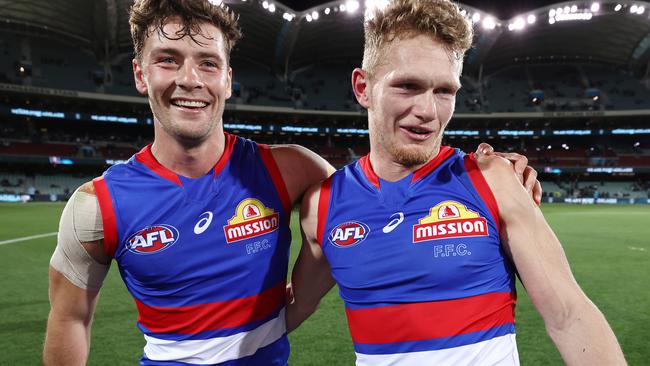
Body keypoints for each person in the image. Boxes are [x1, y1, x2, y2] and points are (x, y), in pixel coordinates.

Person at [43, 0, 539, 365]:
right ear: (139, 73)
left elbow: (382, 194)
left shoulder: (291, 170)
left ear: (228, 79)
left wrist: (495, 168)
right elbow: (70, 319)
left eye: (207, 63)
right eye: (168, 59)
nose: (190, 79)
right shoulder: (96, 207)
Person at [287, 1, 626, 365]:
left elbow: (569, 316)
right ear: (363, 87)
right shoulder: (323, 206)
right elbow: (294, 306)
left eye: (444, 91)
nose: (428, 111)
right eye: (408, 86)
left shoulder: (493, 181)